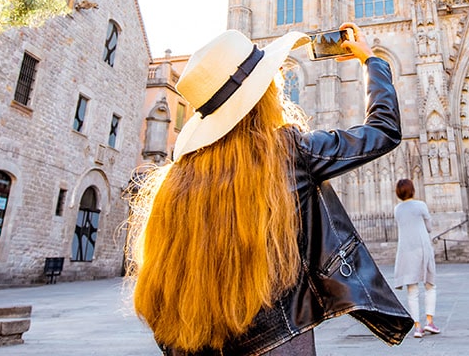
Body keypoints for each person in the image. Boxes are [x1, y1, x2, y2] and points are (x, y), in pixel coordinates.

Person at [130, 24, 413, 355]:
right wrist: (371, 60)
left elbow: (163, 300)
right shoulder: (289, 153)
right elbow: (382, 131)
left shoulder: (175, 185)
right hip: (279, 343)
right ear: (262, 95)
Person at [392, 178, 439, 338]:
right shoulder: (421, 206)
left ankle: (417, 327)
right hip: (422, 249)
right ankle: (429, 322)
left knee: (412, 291)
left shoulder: (397, 209)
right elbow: (429, 227)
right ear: (412, 190)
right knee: (430, 286)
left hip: (405, 252)